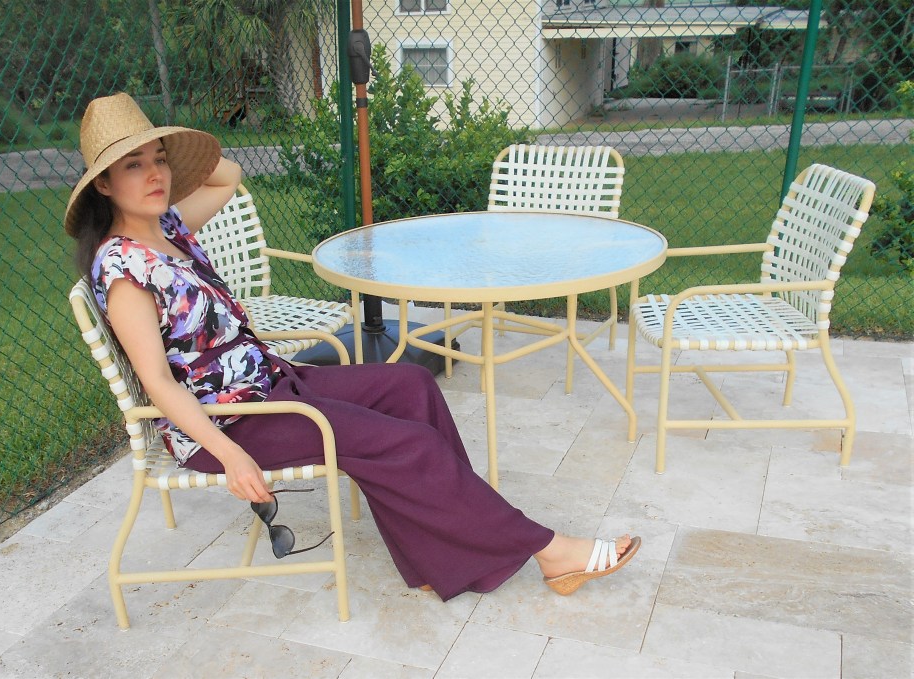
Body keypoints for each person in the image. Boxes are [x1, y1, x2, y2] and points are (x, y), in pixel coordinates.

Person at [65, 92, 640, 601]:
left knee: (412, 384)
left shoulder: (168, 227)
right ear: (103, 185)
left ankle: (442, 555)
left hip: (271, 383)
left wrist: (180, 149)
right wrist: (232, 456)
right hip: (231, 423)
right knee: (407, 444)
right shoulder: (124, 271)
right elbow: (159, 383)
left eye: (160, 159)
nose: (155, 174)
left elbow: (225, 176)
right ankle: (549, 550)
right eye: (133, 165)